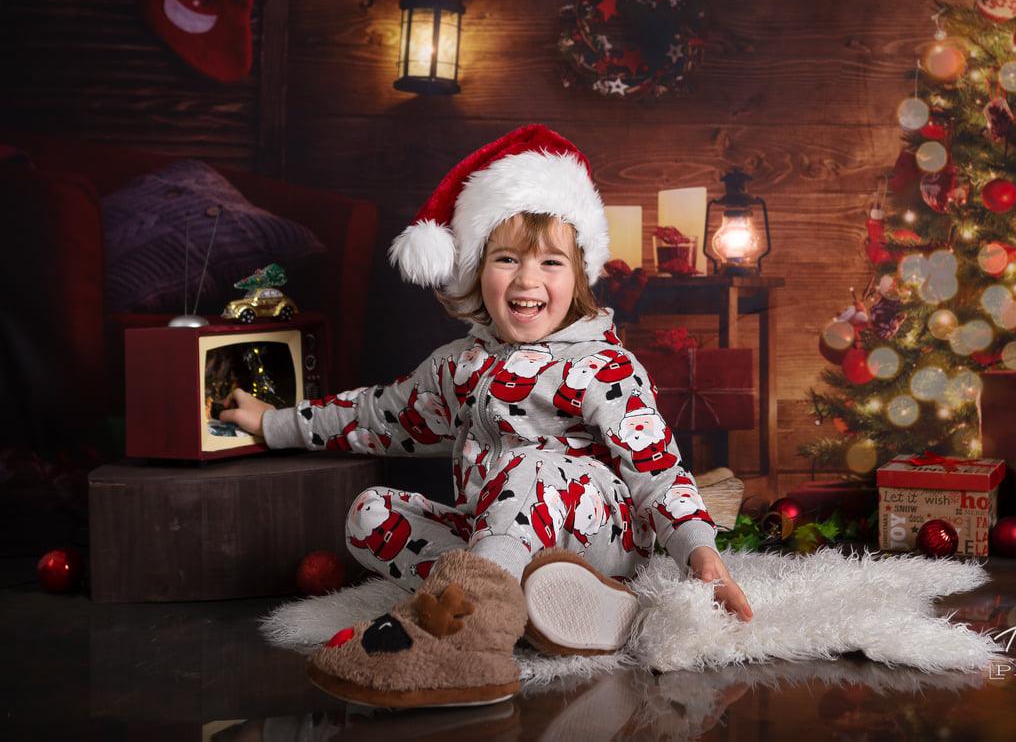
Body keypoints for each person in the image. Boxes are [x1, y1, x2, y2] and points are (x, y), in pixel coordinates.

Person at [221, 125, 752, 708]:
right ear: (477, 270)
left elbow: (657, 467)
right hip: (495, 537)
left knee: (530, 464)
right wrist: (273, 422)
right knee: (371, 514)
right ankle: (542, 607)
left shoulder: (604, 366)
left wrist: (701, 553)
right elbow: (378, 414)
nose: (528, 280)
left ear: (578, 276)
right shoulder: (458, 366)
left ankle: (466, 643)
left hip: (602, 534)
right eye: (506, 259)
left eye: (551, 262)